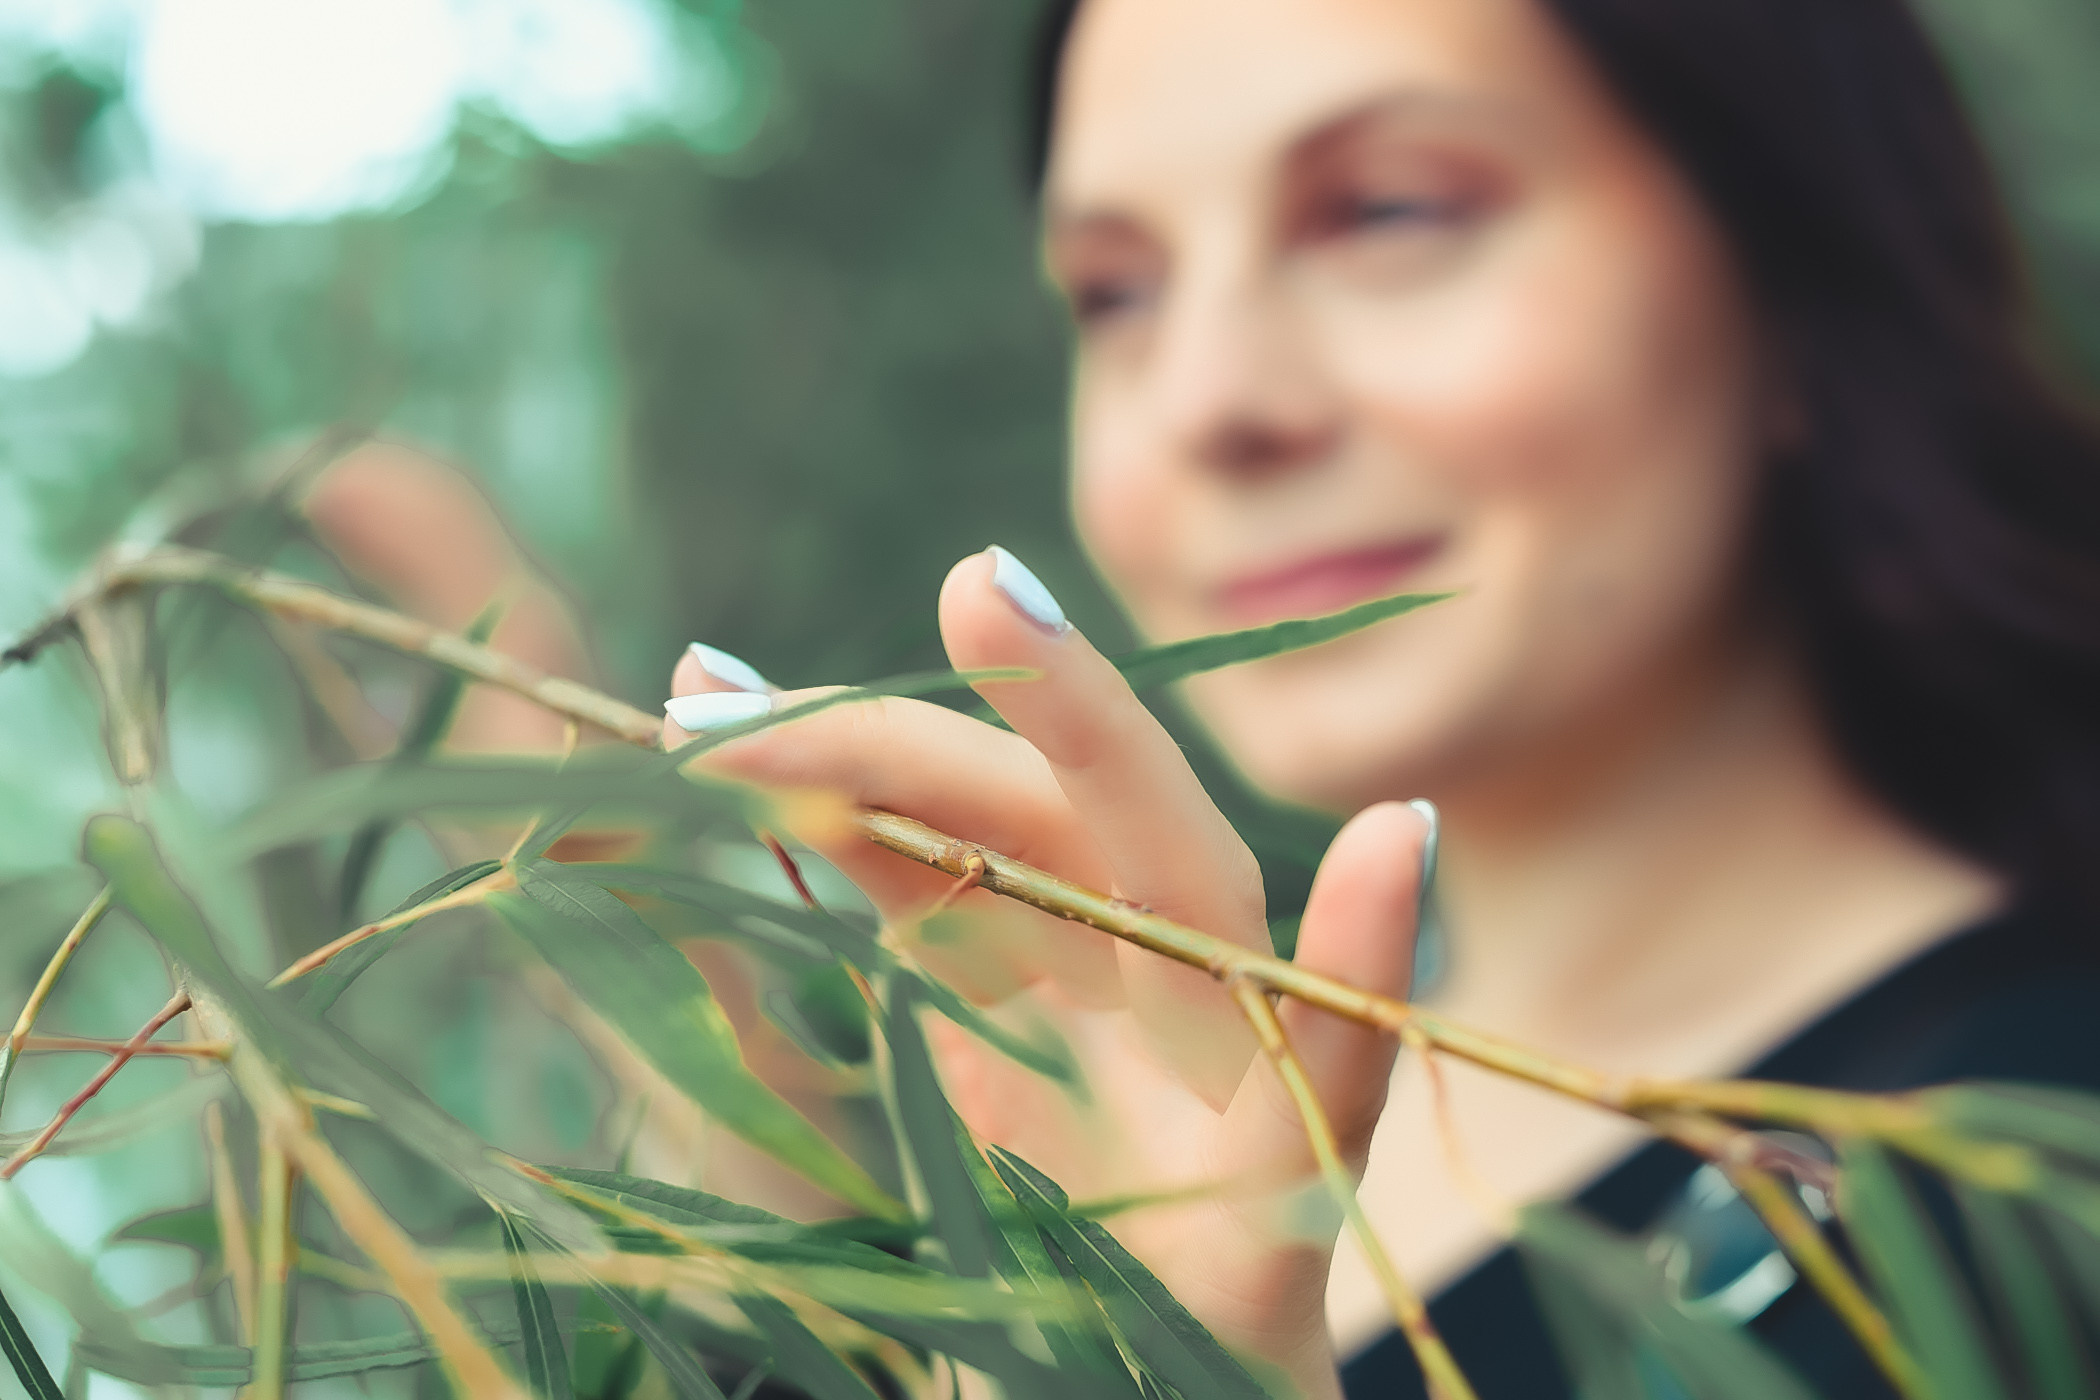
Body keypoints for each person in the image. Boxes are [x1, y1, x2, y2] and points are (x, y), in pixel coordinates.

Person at [652, 0, 2100, 1396]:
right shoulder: (1072, 1181)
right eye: (1117, 292)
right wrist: (730, 1204)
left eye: (1389, 211)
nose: (1211, 400)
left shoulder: (2049, 1164)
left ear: (1799, 279)